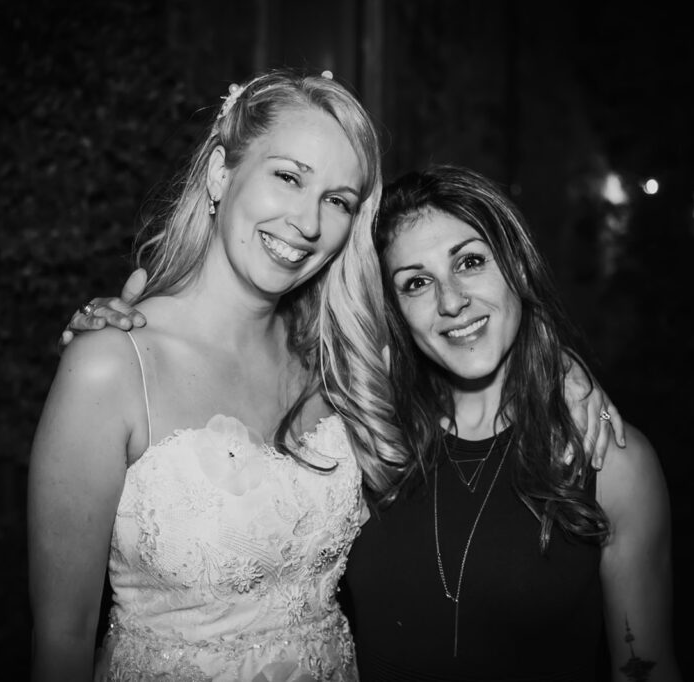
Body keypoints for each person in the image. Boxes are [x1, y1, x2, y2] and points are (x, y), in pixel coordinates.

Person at [64, 166, 672, 681]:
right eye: (415, 283)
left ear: (517, 266)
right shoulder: (366, 431)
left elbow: (644, 665)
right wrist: (115, 329)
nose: (450, 300)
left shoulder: (609, 462)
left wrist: (559, 364)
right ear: (394, 311)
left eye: (471, 261)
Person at [27, 68, 410, 682]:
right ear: (219, 174)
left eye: (337, 201)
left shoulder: (337, 360)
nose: (307, 224)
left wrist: (567, 387)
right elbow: (62, 641)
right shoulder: (113, 366)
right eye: (288, 177)